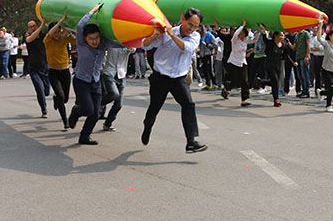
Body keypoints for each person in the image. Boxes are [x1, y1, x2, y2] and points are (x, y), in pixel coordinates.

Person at [140, 8, 207, 153]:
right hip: (160, 77)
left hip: (178, 78)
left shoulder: (194, 36)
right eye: (190, 24)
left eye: (196, 26)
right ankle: (147, 126)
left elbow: (187, 48)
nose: (192, 29)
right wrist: (153, 36)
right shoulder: (165, 32)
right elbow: (145, 45)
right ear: (183, 19)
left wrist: (172, 35)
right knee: (154, 107)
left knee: (188, 104)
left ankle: (191, 142)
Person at [68, 4, 125, 145]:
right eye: (91, 38)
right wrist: (93, 11)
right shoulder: (81, 43)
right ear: (85, 38)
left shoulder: (103, 44)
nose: (94, 41)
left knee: (95, 113)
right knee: (87, 109)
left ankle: (84, 137)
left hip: (95, 82)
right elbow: (81, 26)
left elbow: (120, 43)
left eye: (96, 38)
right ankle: (76, 111)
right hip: (81, 81)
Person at [44, 13, 75, 130]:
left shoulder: (64, 39)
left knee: (65, 99)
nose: (56, 34)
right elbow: (50, 33)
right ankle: (65, 121)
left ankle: (56, 99)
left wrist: (68, 24)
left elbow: (76, 40)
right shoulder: (47, 40)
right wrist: (61, 20)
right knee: (61, 96)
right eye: (55, 32)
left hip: (65, 72)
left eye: (59, 32)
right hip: (53, 73)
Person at [258, 24, 296, 107]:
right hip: (269, 65)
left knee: (275, 83)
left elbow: (286, 55)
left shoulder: (283, 46)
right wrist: (264, 29)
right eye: (280, 35)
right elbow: (264, 38)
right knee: (275, 82)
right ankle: (276, 100)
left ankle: (262, 82)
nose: (282, 37)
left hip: (278, 66)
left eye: (283, 35)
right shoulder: (270, 43)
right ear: (275, 35)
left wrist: (293, 62)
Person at [222, 19, 256, 106]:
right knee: (233, 81)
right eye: (240, 33)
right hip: (233, 62)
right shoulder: (234, 40)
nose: (241, 35)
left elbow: (254, 40)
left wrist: (259, 31)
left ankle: (244, 100)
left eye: (243, 34)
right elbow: (236, 34)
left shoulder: (245, 41)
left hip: (242, 63)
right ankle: (226, 89)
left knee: (245, 81)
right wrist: (242, 26)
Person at [100, 46, 133, 131]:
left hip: (121, 75)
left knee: (119, 104)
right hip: (109, 73)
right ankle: (95, 104)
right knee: (114, 94)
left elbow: (133, 49)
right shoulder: (111, 43)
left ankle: (108, 124)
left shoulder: (127, 46)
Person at [25, 19, 51, 117]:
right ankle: (44, 110)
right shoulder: (27, 36)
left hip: (45, 66)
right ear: (28, 29)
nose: (33, 28)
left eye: (34, 25)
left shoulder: (44, 35)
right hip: (33, 68)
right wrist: (42, 25)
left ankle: (45, 97)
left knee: (46, 91)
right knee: (39, 89)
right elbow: (31, 38)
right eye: (31, 27)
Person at [295, 27, 312, 98]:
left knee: (304, 74)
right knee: (300, 75)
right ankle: (303, 90)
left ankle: (306, 91)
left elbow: (309, 45)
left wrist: (307, 56)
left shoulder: (305, 33)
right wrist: (288, 43)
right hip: (298, 57)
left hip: (304, 57)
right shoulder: (297, 35)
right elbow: (294, 47)